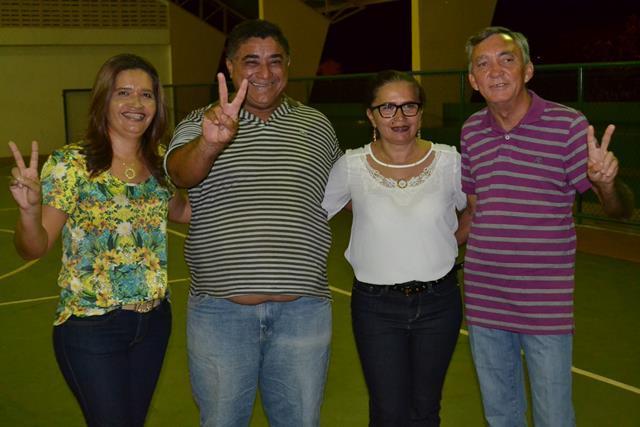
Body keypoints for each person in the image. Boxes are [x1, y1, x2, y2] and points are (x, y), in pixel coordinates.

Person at [164, 20, 342, 426]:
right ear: (229, 66)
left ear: (288, 65)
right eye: (251, 61)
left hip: (304, 312)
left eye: (275, 61)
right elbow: (180, 174)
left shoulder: (317, 126)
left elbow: (344, 194)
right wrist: (210, 143)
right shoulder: (200, 123)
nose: (264, 73)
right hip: (220, 314)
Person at [459, 26, 634, 427]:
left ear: (527, 70)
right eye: (483, 64)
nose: (495, 71)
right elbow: (475, 208)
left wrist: (606, 184)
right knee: (500, 414)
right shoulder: (471, 131)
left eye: (506, 60)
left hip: (545, 304)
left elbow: (619, 210)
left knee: (554, 416)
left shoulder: (568, 125)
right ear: (473, 80)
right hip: (484, 298)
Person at [8, 53, 190, 427]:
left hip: (154, 322)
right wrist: (29, 211)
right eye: (123, 92)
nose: (136, 103)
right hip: (91, 325)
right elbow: (34, 247)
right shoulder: (72, 164)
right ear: (104, 99)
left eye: (146, 94)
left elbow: (183, 211)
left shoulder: (160, 161)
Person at [322, 70, 466, 426]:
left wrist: (443, 242)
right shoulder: (351, 166)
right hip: (376, 308)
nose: (399, 117)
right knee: (388, 412)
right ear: (371, 116)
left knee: (426, 410)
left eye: (408, 106)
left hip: (439, 304)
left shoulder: (450, 161)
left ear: (421, 112)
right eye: (387, 108)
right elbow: (313, 214)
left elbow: (476, 211)